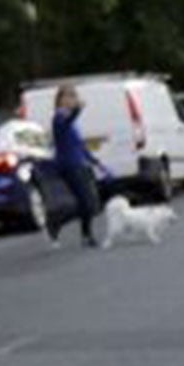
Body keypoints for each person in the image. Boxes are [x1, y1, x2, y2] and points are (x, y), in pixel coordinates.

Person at [46, 84, 108, 249]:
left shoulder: (71, 121)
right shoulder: (59, 117)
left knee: (90, 202)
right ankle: (58, 221)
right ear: (60, 100)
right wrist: (77, 111)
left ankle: (82, 233)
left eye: (73, 96)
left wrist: (95, 161)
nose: (71, 99)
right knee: (86, 202)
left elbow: (79, 144)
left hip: (79, 163)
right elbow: (67, 122)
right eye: (68, 97)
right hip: (67, 165)